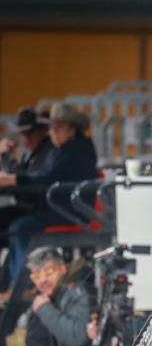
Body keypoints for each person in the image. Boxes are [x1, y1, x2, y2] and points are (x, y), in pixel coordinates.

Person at [0, 103, 98, 286]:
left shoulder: (77, 149)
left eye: (58, 127)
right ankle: (10, 284)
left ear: (72, 129)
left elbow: (48, 177)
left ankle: (25, 285)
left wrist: (13, 179)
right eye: (51, 127)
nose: (53, 132)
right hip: (59, 207)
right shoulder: (60, 150)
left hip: (72, 211)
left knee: (21, 227)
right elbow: (41, 177)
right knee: (9, 222)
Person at [0, 107, 53, 243]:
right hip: (30, 208)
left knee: (18, 226)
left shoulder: (49, 152)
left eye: (30, 132)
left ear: (43, 130)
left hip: (41, 211)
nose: (26, 138)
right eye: (22, 133)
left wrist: (5, 156)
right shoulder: (31, 154)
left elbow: (23, 178)